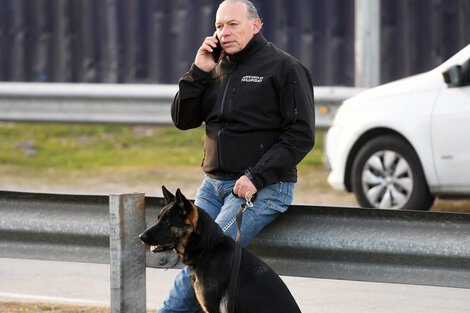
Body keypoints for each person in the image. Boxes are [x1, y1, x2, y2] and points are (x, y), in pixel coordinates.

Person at [161, 0, 315, 311]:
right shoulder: (214, 66)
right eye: (219, 26)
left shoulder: (285, 67)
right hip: (213, 185)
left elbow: (301, 135)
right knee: (198, 264)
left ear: (256, 26)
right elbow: (183, 119)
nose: (224, 32)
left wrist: (256, 176)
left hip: (262, 186)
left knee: (203, 257)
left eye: (233, 24)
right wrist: (198, 71)